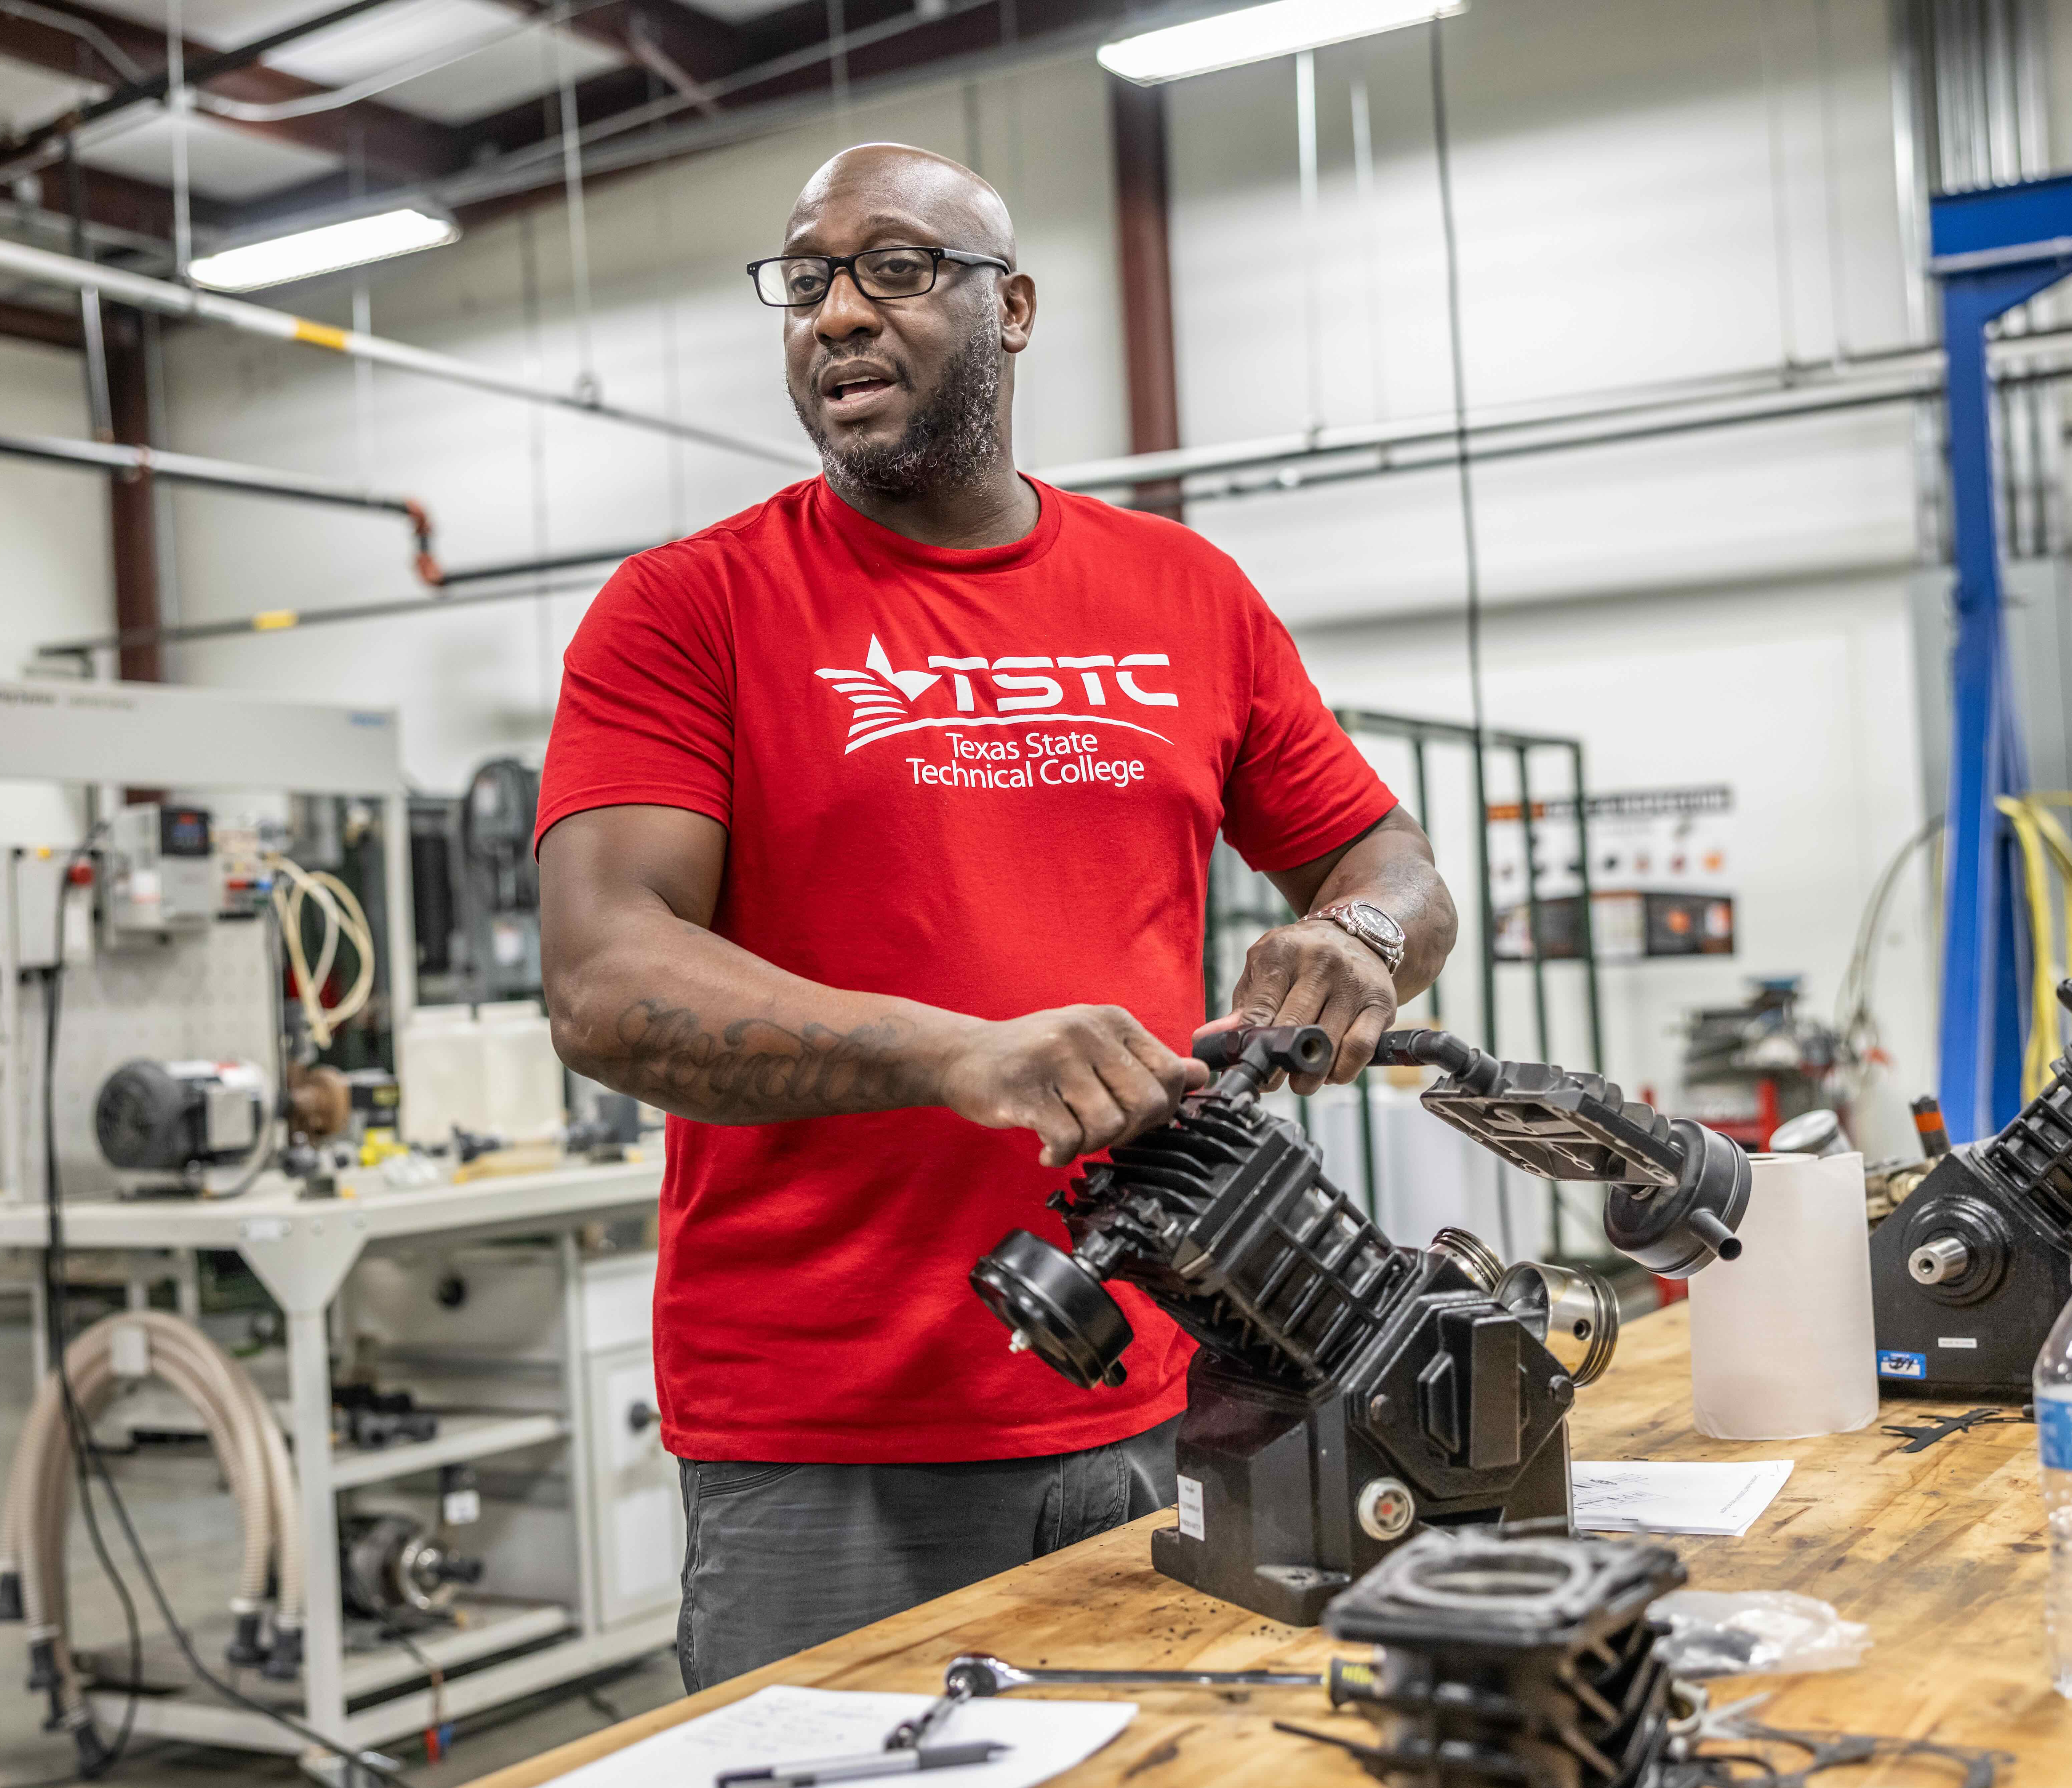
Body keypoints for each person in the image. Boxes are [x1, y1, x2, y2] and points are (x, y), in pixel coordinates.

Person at [534, 143, 1458, 1691]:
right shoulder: (689, 608)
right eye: (806, 277)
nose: (836, 311)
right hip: (828, 1435)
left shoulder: (1184, 593)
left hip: (1162, 1385)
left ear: (1011, 306)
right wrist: (960, 1054)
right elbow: (604, 978)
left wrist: (1357, 941)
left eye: (893, 267)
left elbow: (1395, 869)